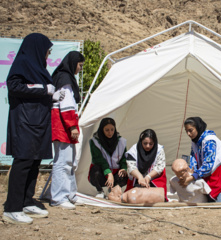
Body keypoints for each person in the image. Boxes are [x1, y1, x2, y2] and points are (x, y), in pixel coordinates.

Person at [3, 33, 55, 224]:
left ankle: (26, 201)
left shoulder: (38, 67)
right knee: (23, 161)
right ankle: (12, 207)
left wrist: (51, 96)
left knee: (34, 161)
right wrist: (43, 90)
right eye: (47, 51)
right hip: (25, 122)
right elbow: (14, 86)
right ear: (37, 49)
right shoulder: (23, 62)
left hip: (38, 121)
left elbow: (39, 89)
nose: (48, 55)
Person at [50, 51, 85, 210]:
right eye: (80, 65)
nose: (80, 69)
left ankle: (70, 194)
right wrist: (72, 126)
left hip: (65, 126)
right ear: (73, 63)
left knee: (69, 162)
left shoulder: (63, 77)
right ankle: (59, 197)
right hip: (63, 127)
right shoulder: (65, 79)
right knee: (62, 162)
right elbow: (66, 105)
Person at [181, 117, 221, 202]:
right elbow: (193, 157)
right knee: (206, 198)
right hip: (213, 176)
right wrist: (191, 171)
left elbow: (208, 164)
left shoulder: (209, 141)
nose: (188, 134)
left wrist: (193, 177)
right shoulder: (195, 141)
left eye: (191, 130)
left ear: (198, 127)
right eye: (186, 131)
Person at [88, 118, 128, 198]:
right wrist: (108, 173)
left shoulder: (121, 141)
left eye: (112, 129)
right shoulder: (95, 141)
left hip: (115, 172)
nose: (110, 133)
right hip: (102, 171)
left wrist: (124, 168)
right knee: (95, 172)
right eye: (107, 130)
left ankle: (113, 190)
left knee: (123, 175)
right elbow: (98, 159)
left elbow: (124, 158)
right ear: (102, 129)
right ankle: (100, 190)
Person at [125, 129, 167, 200]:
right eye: (145, 143)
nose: (148, 146)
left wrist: (148, 177)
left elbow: (159, 167)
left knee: (157, 197)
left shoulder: (159, 150)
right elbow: (131, 167)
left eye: (151, 144)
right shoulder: (134, 150)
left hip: (154, 179)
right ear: (141, 141)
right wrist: (140, 177)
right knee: (132, 196)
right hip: (138, 178)